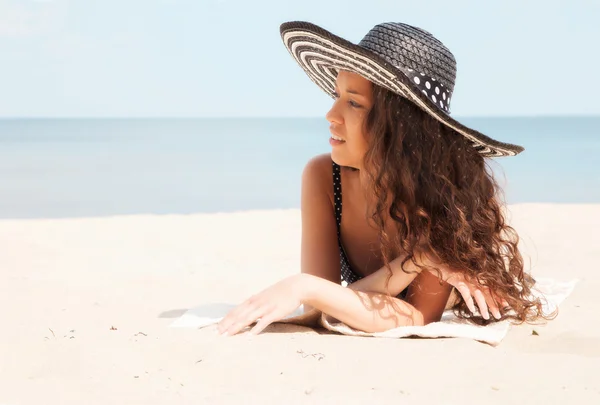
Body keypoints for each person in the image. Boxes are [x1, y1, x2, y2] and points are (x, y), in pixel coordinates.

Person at [218, 21, 545, 336]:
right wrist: (415, 261)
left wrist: (306, 287)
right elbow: (322, 306)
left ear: (399, 128)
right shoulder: (323, 178)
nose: (331, 115)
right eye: (336, 95)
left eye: (354, 103)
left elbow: (417, 316)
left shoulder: (441, 197)